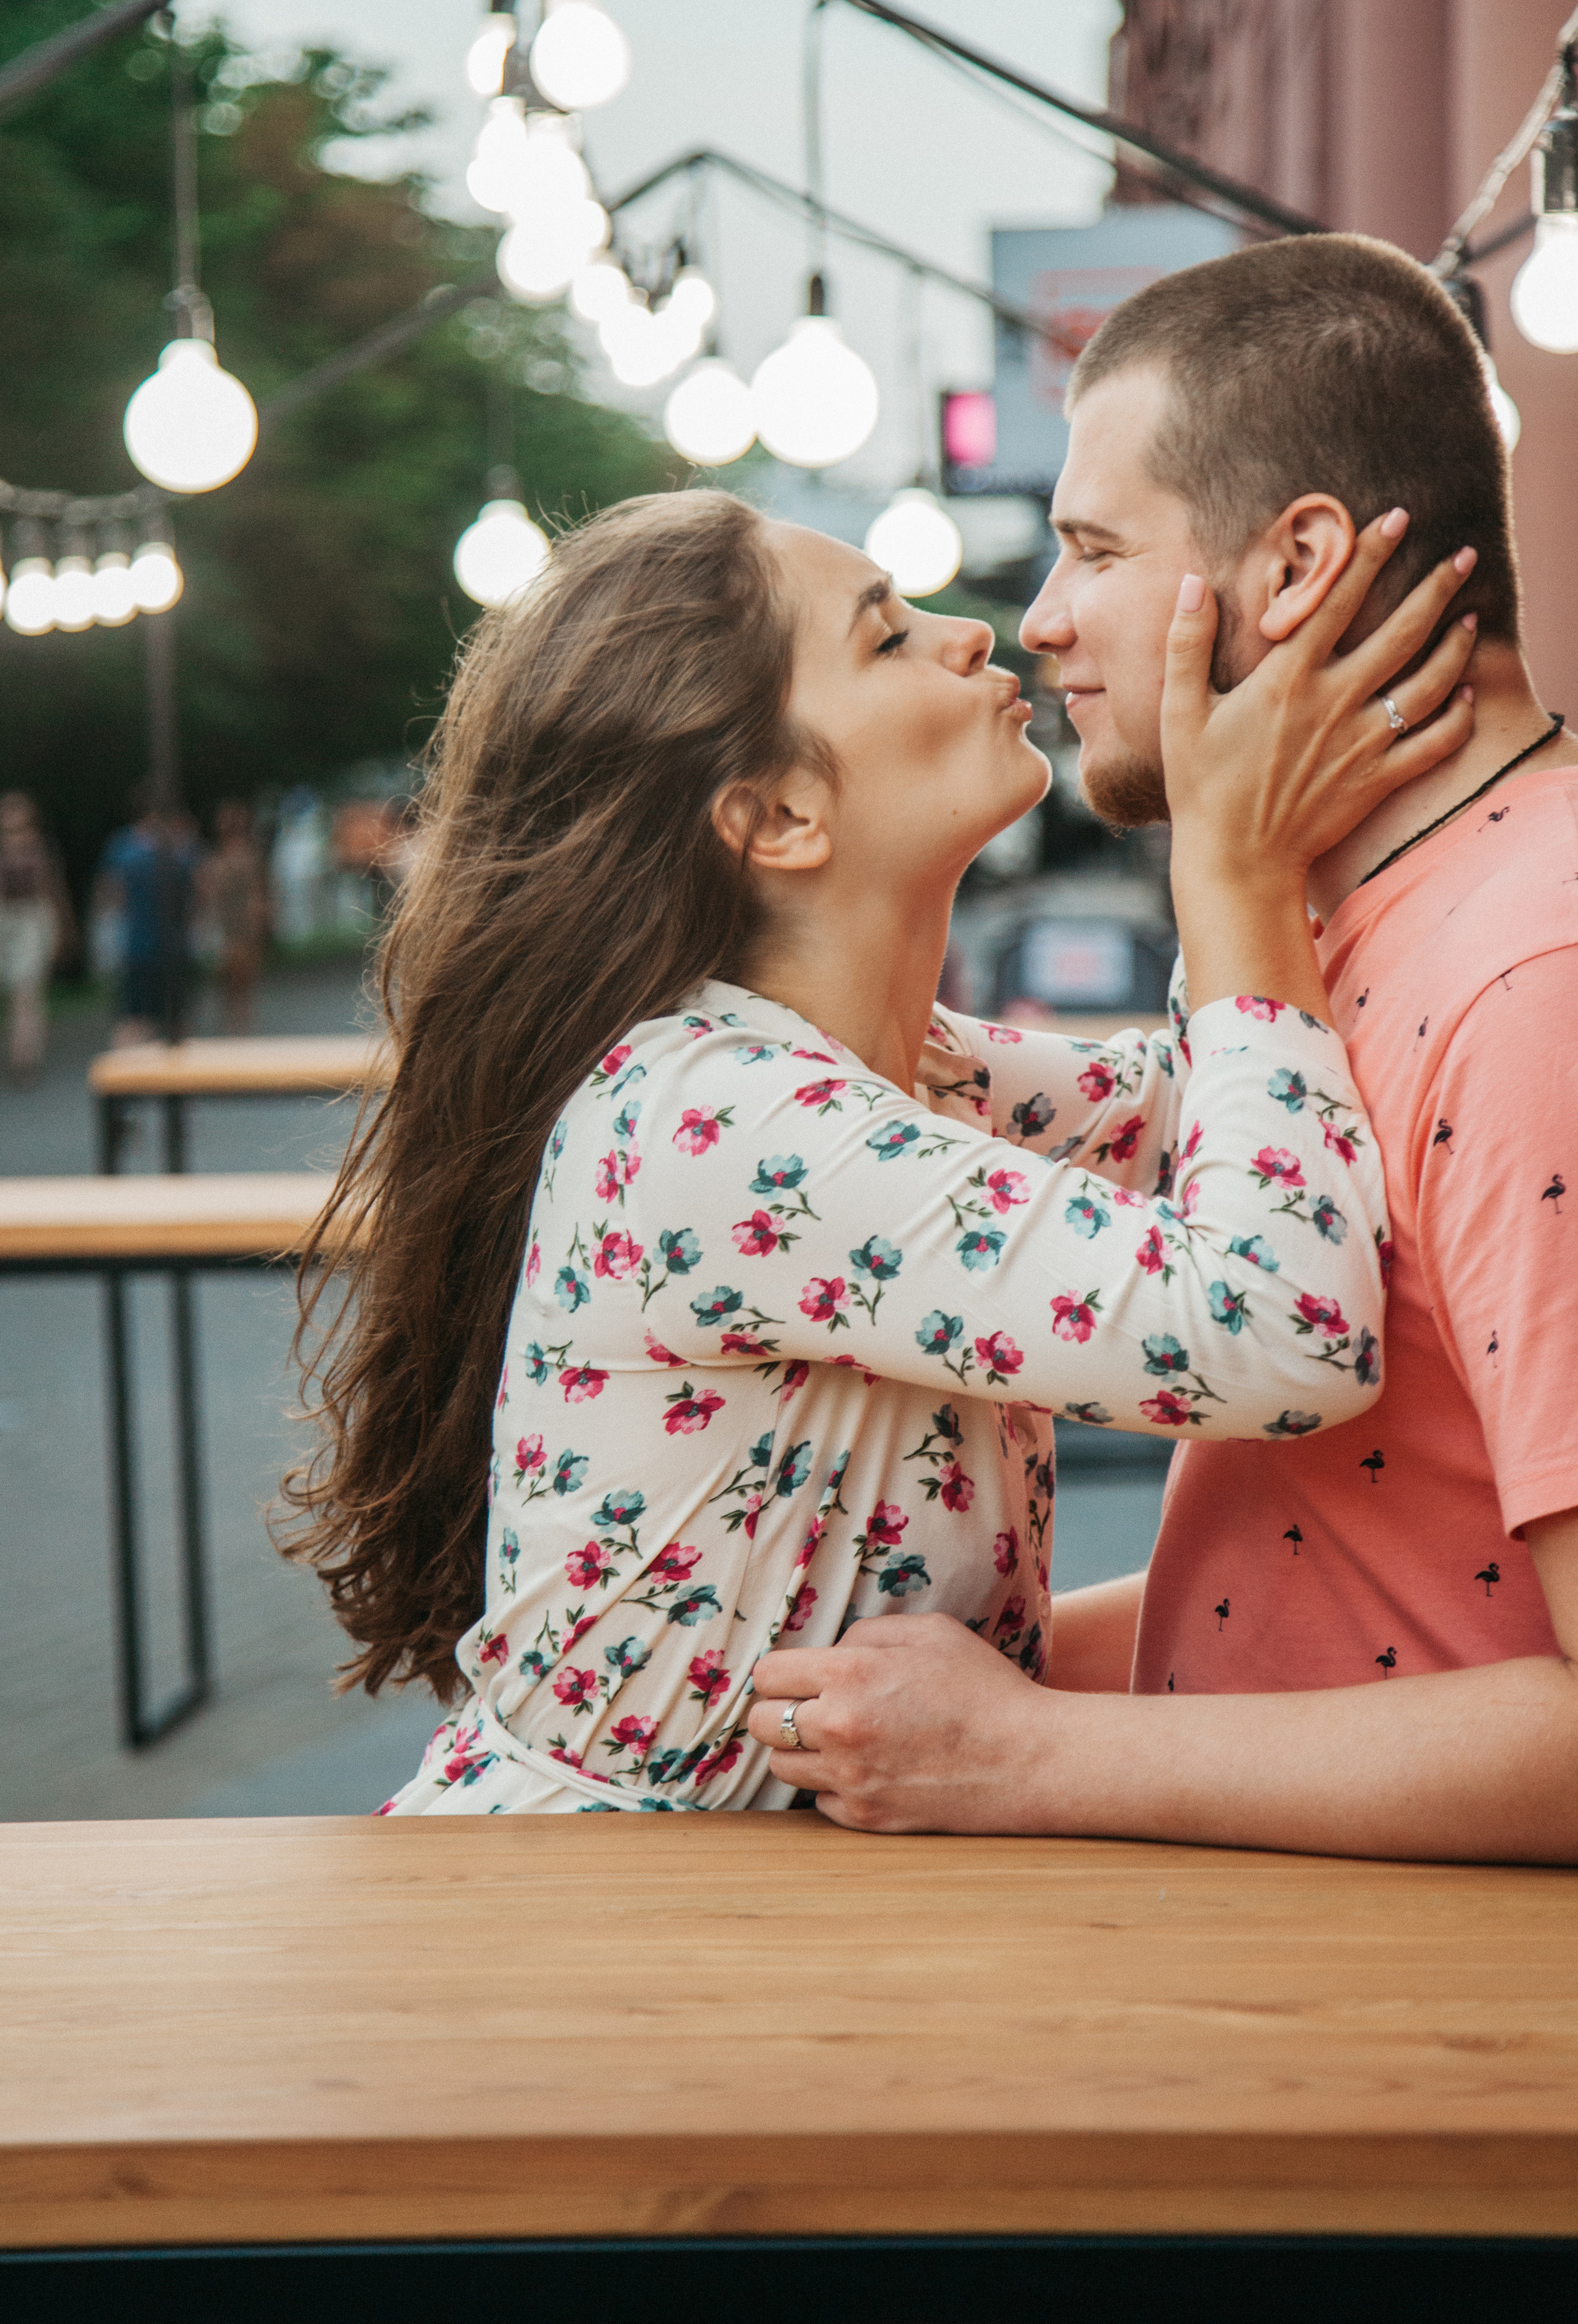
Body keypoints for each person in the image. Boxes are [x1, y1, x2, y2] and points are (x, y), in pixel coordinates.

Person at [280, 485, 1472, 1815]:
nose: (973, 635)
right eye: (887, 637)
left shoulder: (902, 1076)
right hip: (592, 1934)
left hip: (758, 1918)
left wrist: (1273, 814)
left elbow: (1211, 1112)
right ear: (778, 817)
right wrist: (1233, 869)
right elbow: (1279, 1327)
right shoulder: (720, 1124)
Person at [747, 234, 1578, 1867]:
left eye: (1091, 548)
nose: (1038, 623)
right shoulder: (1353, 923)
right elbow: (1358, 1556)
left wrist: (1029, 1756)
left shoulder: (1532, 977)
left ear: (1292, 566)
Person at [0, 791, 75, 1084]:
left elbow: (50, 889)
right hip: (4, 920)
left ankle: (24, 1056)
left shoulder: (38, 848)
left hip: (32, 920)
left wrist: (60, 928)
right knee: (15, 993)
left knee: (26, 989)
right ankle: (22, 1045)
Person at [93, 782, 200, 1045]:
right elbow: (199, 893)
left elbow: (109, 896)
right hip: (175, 946)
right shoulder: (181, 847)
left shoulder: (123, 848)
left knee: (132, 1021)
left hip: (136, 946)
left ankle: (126, 1082)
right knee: (177, 1022)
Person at [196, 800, 269, 1037]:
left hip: (239, 928)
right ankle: (236, 1027)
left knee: (239, 983)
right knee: (231, 984)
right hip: (227, 926)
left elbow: (257, 893)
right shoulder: (222, 856)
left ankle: (238, 1028)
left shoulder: (242, 855)